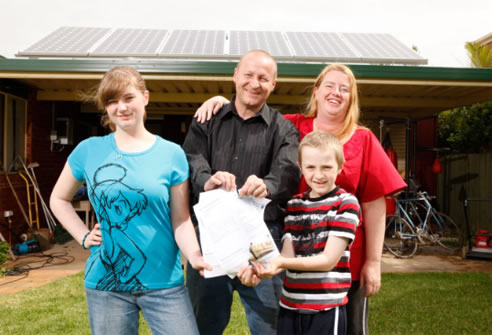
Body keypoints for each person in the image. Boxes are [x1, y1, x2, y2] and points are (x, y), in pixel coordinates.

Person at [194, 63, 407, 334]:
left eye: (345, 89)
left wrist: (373, 262)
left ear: (352, 97)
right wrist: (223, 102)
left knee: (346, 327)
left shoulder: (363, 138)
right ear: (316, 91)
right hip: (292, 248)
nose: (336, 93)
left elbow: (375, 204)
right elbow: (250, 112)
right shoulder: (291, 126)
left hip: (342, 258)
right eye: (329, 85)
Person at [50, 66, 210, 335]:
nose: (120, 107)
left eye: (128, 98)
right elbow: (58, 198)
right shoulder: (89, 150)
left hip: (164, 282)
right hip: (106, 285)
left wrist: (194, 256)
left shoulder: (172, 154)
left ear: (145, 97)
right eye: (112, 102)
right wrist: (83, 236)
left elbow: (180, 219)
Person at [182, 50, 300, 335]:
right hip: (211, 238)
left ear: (274, 84)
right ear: (235, 75)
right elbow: (191, 157)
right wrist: (206, 179)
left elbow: (289, 170)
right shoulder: (207, 120)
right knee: (202, 322)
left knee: (268, 323)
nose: (254, 83)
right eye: (248, 75)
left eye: (263, 78)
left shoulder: (285, 129)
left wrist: (268, 185)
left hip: (260, 237)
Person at [239, 130, 360, 335]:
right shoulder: (294, 205)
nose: (318, 175)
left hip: (326, 307)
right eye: (311, 167)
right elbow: (286, 256)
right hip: (290, 306)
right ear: (300, 167)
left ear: (340, 167)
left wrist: (279, 263)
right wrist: (260, 270)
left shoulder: (345, 203)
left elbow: (328, 260)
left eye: (327, 167)